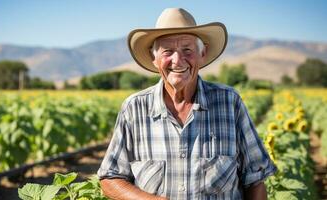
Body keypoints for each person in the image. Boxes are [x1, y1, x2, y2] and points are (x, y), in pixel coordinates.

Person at [97, 8, 276, 200]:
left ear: (202, 54)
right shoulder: (135, 109)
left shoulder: (229, 103)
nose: (177, 60)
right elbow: (110, 176)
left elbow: (255, 178)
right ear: (154, 58)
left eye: (187, 50)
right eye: (168, 51)